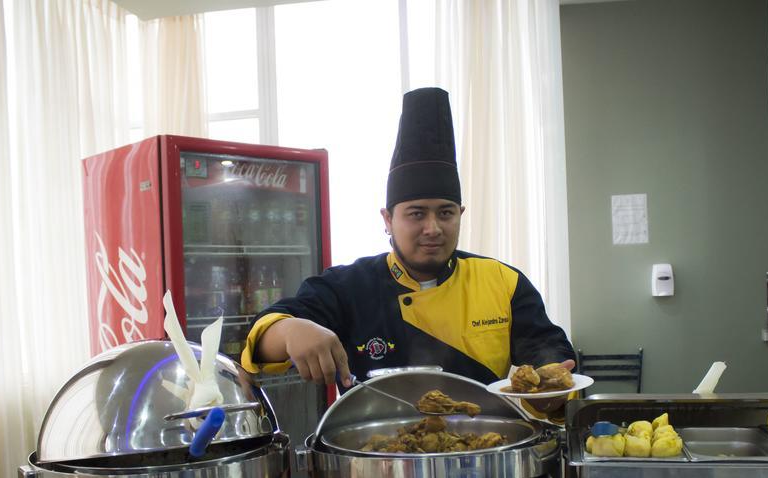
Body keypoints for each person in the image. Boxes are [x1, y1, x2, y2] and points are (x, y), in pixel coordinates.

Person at [240, 87, 575, 410]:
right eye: (416, 214)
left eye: (445, 212)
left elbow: (550, 357)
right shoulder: (349, 287)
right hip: (377, 458)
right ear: (387, 219)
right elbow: (262, 338)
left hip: (483, 447)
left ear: (460, 215)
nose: (433, 228)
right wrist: (290, 330)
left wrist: (556, 389)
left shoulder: (502, 281)